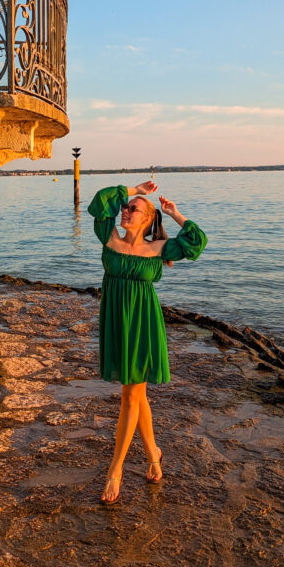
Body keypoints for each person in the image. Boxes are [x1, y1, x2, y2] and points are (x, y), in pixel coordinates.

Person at [87, 180, 208, 504]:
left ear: (147, 218)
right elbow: (100, 203)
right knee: (135, 395)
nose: (125, 211)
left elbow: (196, 243)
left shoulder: (158, 249)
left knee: (130, 396)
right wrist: (131, 190)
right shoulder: (109, 238)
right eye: (126, 207)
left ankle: (116, 470)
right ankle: (153, 453)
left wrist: (175, 213)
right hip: (116, 321)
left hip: (142, 325)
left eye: (133, 209)